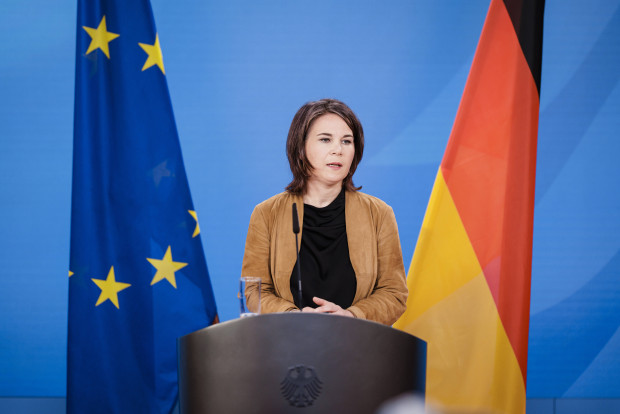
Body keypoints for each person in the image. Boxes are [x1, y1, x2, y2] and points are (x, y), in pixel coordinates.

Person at [241, 99, 407, 325]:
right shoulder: (267, 214)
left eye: (346, 141)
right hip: (288, 341)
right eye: (325, 139)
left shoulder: (379, 214)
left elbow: (394, 293)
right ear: (301, 147)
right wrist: (293, 317)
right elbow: (254, 291)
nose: (338, 150)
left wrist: (352, 316)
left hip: (356, 342)